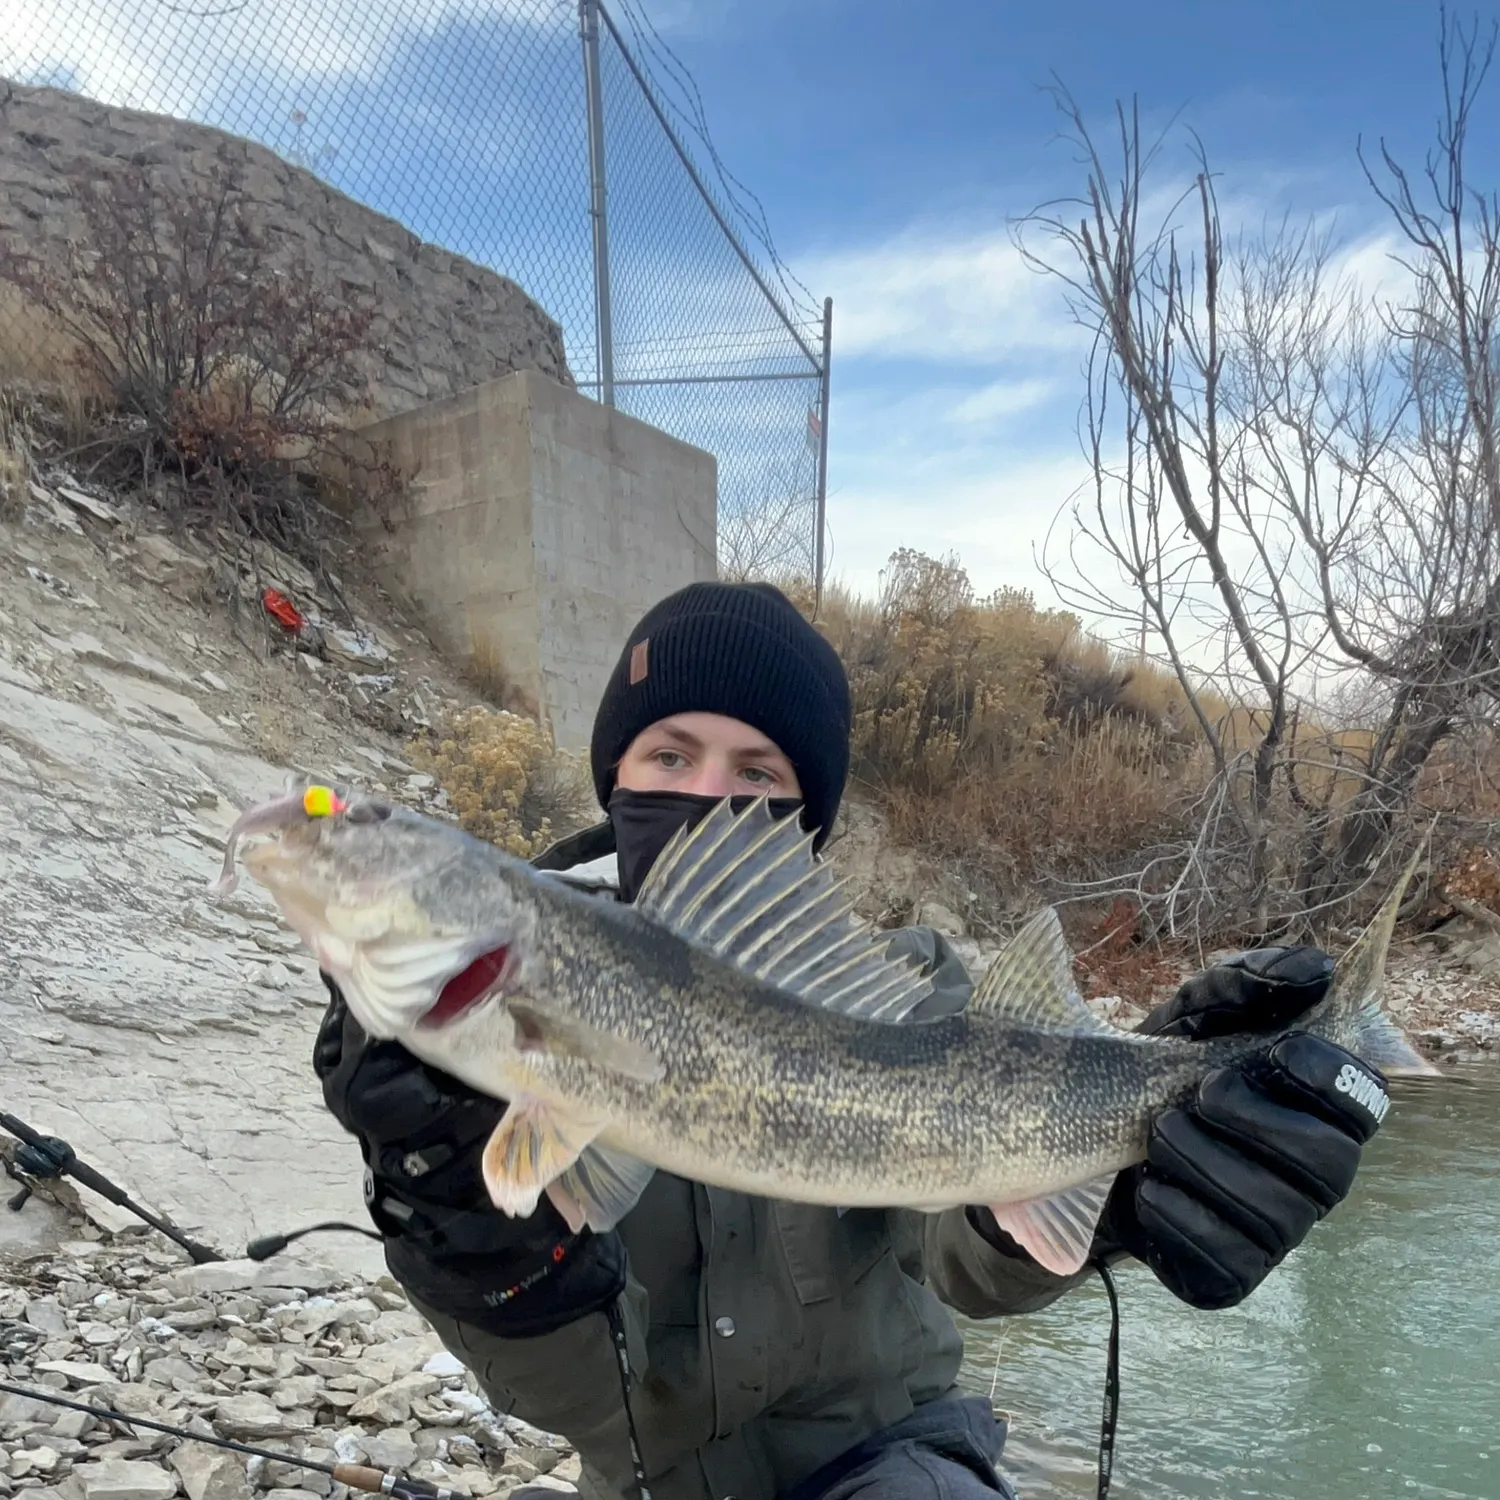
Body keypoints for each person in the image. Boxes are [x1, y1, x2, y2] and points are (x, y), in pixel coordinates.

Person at [312, 581, 1387, 1500]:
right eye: (670, 753)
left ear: (808, 811)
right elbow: (573, 1394)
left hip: (897, 1458)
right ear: (613, 775)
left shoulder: (911, 994)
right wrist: (458, 1224)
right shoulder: (501, 1007)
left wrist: (1111, 1199)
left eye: (756, 775)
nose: (705, 796)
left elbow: (967, 1263)